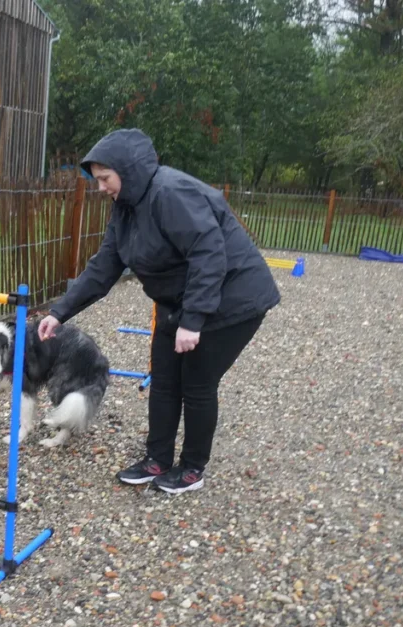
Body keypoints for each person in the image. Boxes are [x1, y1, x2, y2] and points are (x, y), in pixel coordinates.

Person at [39, 129, 280, 494]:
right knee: (164, 379)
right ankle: (157, 458)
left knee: (196, 384)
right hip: (177, 301)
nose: (101, 187)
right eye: (98, 179)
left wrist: (193, 320)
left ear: (128, 169)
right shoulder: (126, 208)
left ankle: (193, 468)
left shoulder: (171, 193)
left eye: (105, 178)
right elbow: (105, 265)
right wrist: (59, 313)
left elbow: (209, 253)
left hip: (232, 299)